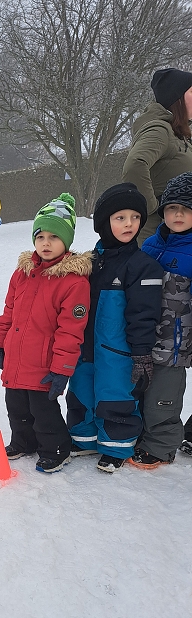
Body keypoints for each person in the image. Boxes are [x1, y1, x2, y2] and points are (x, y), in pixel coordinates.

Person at [0, 192, 92, 474]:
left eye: (54, 237)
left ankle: (56, 449)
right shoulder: (22, 273)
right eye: (40, 236)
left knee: (43, 410)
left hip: (45, 362)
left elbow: (71, 330)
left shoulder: (73, 282)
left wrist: (62, 369)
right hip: (17, 356)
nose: (46, 243)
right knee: (16, 406)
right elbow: (9, 311)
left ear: (66, 241)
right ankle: (24, 441)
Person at [66, 184, 163, 473]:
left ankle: (116, 446)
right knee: (82, 392)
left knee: (116, 396)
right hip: (85, 347)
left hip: (118, 350)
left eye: (135, 217)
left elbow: (144, 314)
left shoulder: (143, 266)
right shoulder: (88, 263)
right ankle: (85, 438)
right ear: (103, 223)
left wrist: (142, 353)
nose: (129, 224)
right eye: (120, 217)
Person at [128, 173, 192, 468]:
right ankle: (143, 436)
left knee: (163, 398)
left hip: (176, 343)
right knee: (142, 390)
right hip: (146, 335)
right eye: (171, 208)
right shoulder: (152, 244)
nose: (177, 215)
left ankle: (161, 445)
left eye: (186, 209)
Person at [122, 68, 192, 243]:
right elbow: (135, 164)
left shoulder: (178, 134)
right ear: (177, 99)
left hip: (177, 236)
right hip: (157, 239)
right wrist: (151, 206)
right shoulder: (160, 131)